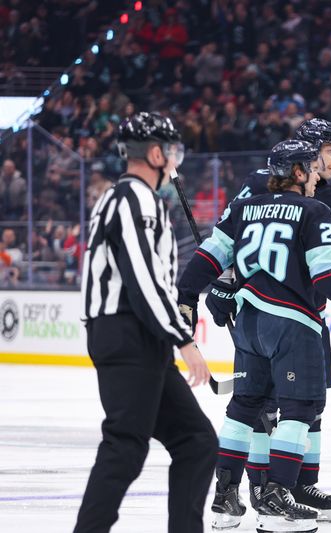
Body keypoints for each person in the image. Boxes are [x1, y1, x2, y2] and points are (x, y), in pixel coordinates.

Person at [181, 139, 331, 533]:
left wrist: (187, 296)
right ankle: (277, 497)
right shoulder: (314, 210)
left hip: (248, 324)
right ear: (297, 172)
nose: (316, 175)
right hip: (293, 324)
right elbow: (328, 275)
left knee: (244, 405)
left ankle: (225, 498)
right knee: (301, 407)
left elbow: (208, 258)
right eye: (311, 169)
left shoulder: (244, 208)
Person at [75, 112, 217, 533]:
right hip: (127, 334)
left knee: (196, 441)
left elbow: (151, 281)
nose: (175, 160)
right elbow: (142, 281)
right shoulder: (132, 198)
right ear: (155, 153)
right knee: (125, 445)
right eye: (171, 150)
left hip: (140, 337)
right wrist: (183, 339)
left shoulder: (137, 200)